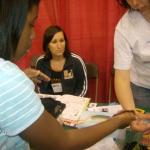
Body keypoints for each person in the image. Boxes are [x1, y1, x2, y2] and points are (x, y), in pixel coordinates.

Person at [0, 0, 136, 149]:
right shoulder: (11, 78)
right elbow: (62, 143)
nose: (33, 35)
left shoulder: (75, 61)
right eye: (31, 24)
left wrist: (20, 79)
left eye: (62, 40)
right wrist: (117, 121)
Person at [114, 0, 150, 110]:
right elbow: (121, 77)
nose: (134, 2)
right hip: (142, 88)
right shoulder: (124, 26)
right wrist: (132, 114)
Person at [36, 25, 87, 96]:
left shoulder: (76, 61)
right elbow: (40, 88)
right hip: (50, 102)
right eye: (54, 42)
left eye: (62, 41)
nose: (59, 46)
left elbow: (82, 89)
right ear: (47, 45)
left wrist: (72, 103)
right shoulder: (41, 62)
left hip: (72, 103)